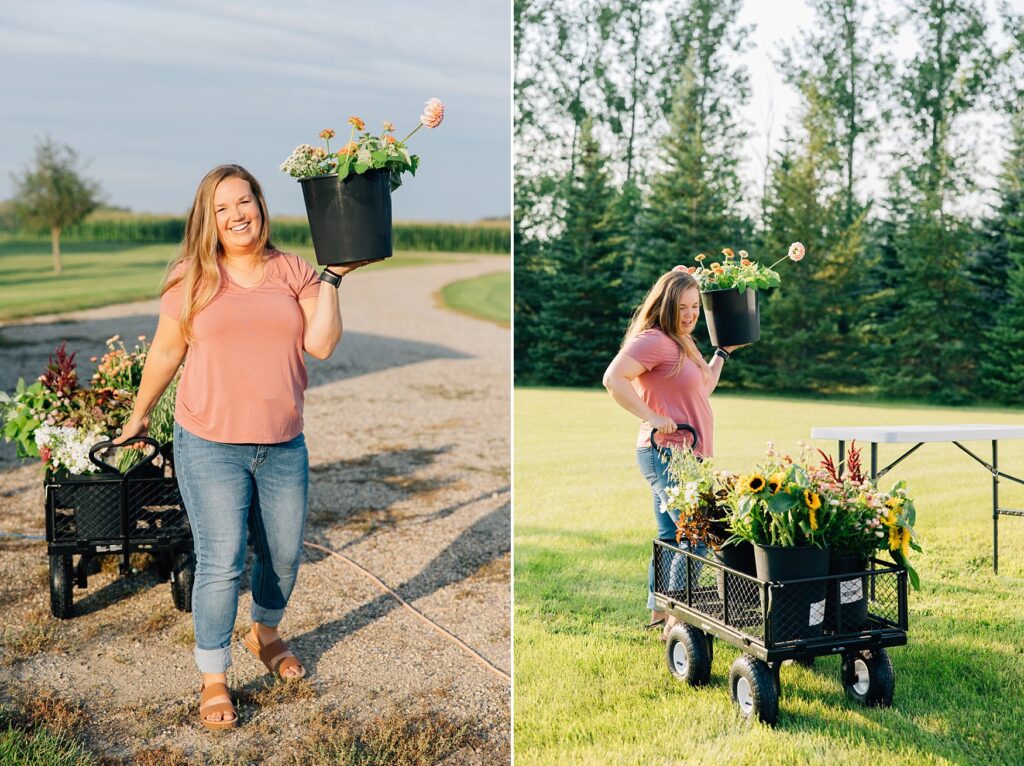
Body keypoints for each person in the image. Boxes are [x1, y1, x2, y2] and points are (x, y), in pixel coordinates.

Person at [113, 164, 370, 730]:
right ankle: (213, 677)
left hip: (282, 444)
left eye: (244, 201)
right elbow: (164, 352)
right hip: (209, 442)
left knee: (282, 555)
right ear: (209, 219)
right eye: (222, 207)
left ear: (260, 204)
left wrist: (332, 279)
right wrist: (138, 415)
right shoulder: (193, 276)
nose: (236, 215)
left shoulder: (292, 270)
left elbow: (321, 344)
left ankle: (266, 634)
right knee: (222, 560)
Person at [602, 267, 744, 639]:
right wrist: (651, 415)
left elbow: (703, 386)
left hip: (689, 452)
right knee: (693, 534)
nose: (690, 314)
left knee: (671, 535)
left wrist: (722, 353)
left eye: (695, 306)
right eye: (682, 307)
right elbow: (613, 378)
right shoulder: (653, 340)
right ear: (666, 305)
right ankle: (678, 618)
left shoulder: (684, 341)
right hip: (665, 451)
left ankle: (659, 611)